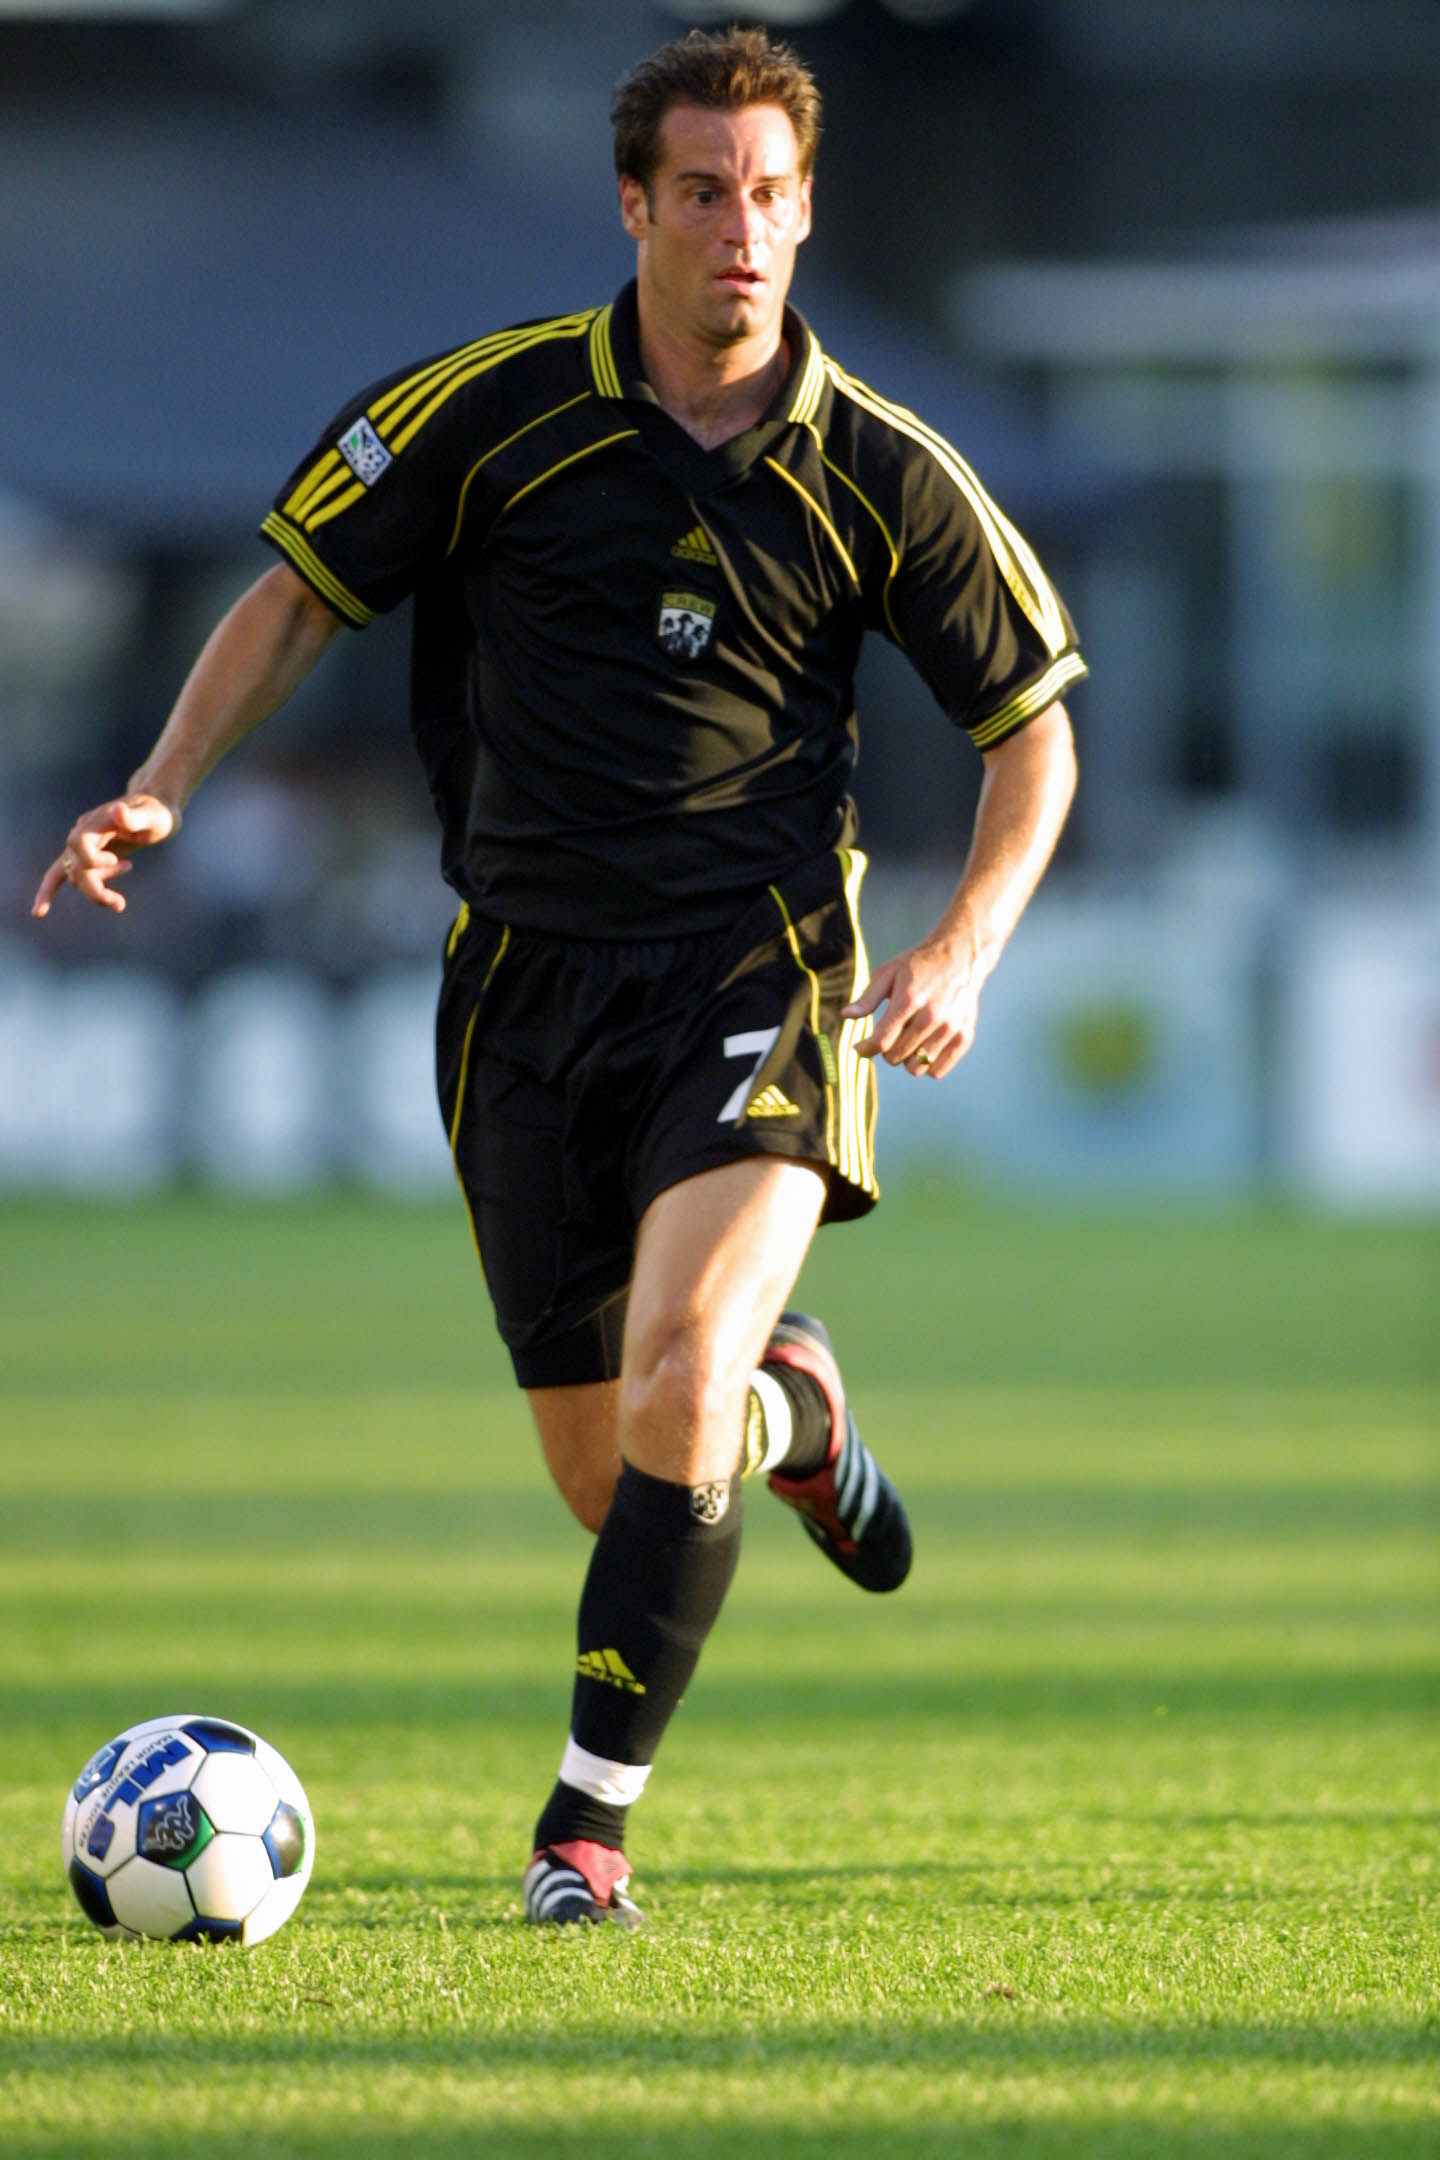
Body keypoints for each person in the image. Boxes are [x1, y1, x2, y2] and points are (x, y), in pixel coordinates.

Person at [33, 27, 1082, 1929]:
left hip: (762, 966)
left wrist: (962, 949)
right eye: (704, 193)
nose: (742, 231)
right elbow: (294, 593)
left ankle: (583, 1835)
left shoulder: (885, 470)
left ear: (807, 208)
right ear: (636, 205)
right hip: (519, 990)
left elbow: (1035, 733)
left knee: (681, 1377)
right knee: (627, 1485)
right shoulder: (491, 411)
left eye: (772, 195)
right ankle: (805, 1423)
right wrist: (161, 788)